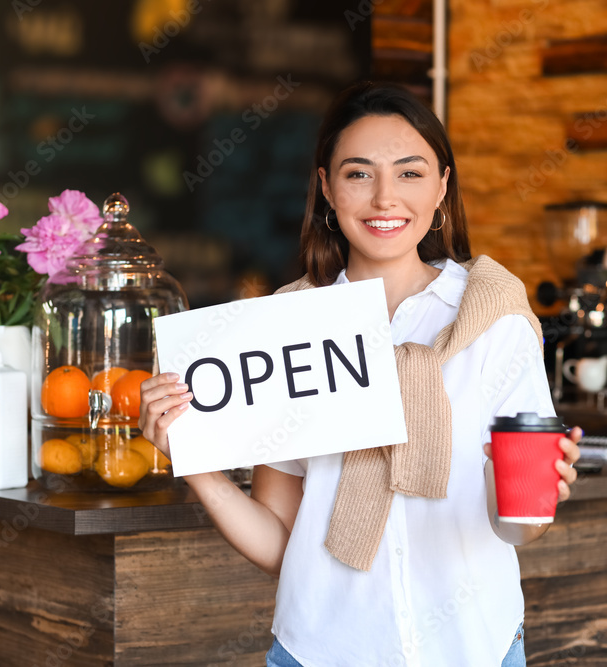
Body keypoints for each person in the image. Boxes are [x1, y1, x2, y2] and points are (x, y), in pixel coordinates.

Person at [140, 81, 582, 667]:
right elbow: (280, 542)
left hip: (473, 648)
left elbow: (521, 531)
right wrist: (195, 462)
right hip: (319, 649)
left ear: (443, 187)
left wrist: (527, 494)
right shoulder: (289, 328)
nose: (383, 198)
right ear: (325, 186)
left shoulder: (495, 318)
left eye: (409, 173)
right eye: (357, 174)